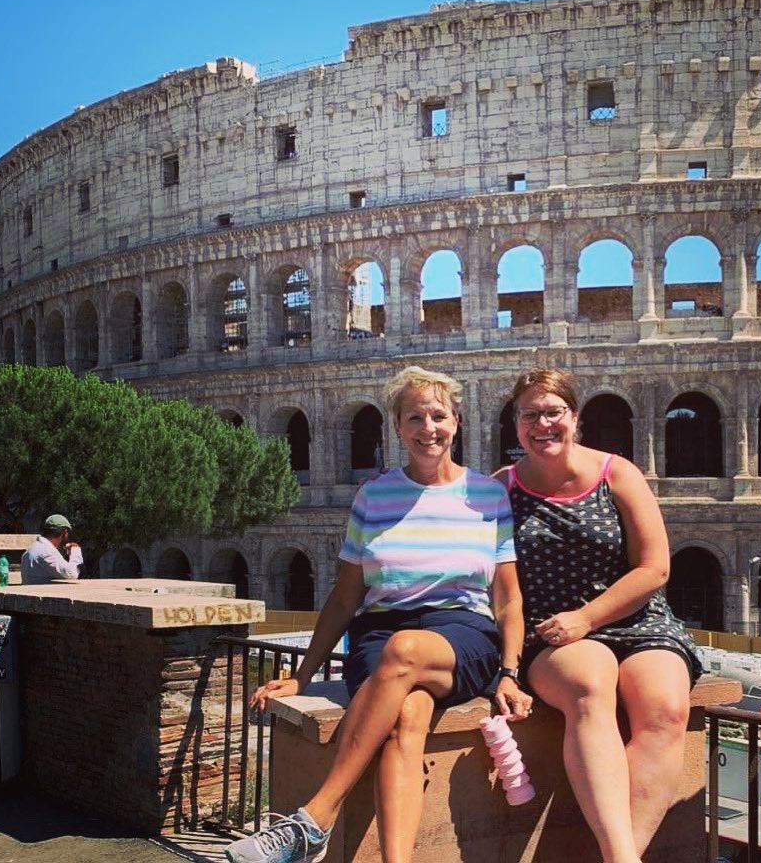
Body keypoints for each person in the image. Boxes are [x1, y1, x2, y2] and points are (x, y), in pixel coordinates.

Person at [227, 367, 532, 863]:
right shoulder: (373, 496)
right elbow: (346, 598)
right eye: (415, 417)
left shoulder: (488, 495)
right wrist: (302, 676)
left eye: (438, 415)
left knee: (405, 651)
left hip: (463, 635)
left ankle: (316, 818)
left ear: (457, 421)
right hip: (379, 632)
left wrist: (511, 672)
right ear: (398, 426)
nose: (428, 427)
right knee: (404, 718)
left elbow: (509, 597)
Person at [494, 368, 702, 863]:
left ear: (575, 417)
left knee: (667, 708)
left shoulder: (618, 473)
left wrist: (588, 617)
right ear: (516, 424)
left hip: (635, 618)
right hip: (551, 629)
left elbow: (655, 567)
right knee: (591, 684)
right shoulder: (501, 487)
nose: (542, 423)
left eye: (553, 412)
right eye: (530, 415)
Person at [20, 514, 84, 584]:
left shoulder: (32, 549)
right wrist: (75, 552)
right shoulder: (46, 552)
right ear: (64, 533)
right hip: (42, 593)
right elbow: (72, 573)